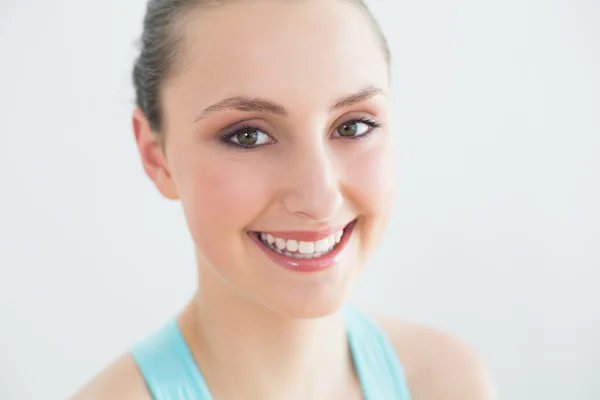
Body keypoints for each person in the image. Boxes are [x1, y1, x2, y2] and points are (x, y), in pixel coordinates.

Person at [72, 0, 496, 398]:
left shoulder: (447, 381)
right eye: (248, 135)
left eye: (352, 127)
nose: (320, 198)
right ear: (156, 156)